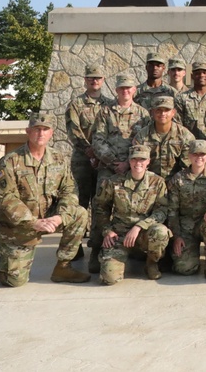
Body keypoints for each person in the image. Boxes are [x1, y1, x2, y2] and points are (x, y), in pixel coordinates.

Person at [0, 112, 90, 287]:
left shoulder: (58, 159)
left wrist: (60, 217)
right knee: (15, 280)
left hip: (49, 216)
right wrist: (33, 222)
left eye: (45, 129)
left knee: (79, 213)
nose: (40, 133)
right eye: (36, 129)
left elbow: (69, 190)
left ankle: (63, 266)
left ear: (51, 133)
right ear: (28, 131)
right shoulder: (10, 161)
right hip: (20, 224)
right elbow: (7, 199)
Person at [89, 74, 150, 271]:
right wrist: (115, 162)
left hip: (135, 168)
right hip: (109, 169)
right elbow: (97, 140)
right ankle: (97, 249)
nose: (125, 91)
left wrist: (128, 163)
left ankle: (137, 248)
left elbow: (145, 143)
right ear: (116, 90)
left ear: (134, 90)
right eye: (121, 88)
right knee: (101, 207)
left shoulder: (143, 114)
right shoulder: (105, 113)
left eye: (129, 88)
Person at [94, 145, 172, 285]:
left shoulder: (158, 182)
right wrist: (107, 231)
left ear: (148, 161)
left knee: (161, 232)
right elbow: (101, 208)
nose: (138, 163)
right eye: (134, 159)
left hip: (144, 233)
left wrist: (139, 227)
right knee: (109, 278)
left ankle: (151, 263)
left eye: (142, 159)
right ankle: (122, 258)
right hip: (119, 234)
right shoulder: (113, 182)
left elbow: (162, 210)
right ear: (129, 161)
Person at [65, 64, 115, 232]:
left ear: (103, 80)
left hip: (103, 161)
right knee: (80, 201)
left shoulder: (110, 104)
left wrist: (101, 154)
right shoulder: (76, 104)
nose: (95, 80)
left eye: (98, 78)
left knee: (101, 201)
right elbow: (74, 131)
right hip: (83, 160)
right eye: (91, 78)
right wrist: (90, 151)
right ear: (85, 80)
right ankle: (74, 243)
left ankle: (98, 240)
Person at [167, 140, 206, 279]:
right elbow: (172, 210)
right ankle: (188, 255)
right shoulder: (178, 179)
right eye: (195, 154)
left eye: (202, 154)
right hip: (186, 227)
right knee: (184, 268)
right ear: (189, 156)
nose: (199, 158)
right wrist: (176, 236)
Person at [130, 95, 195, 181]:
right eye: (158, 110)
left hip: (177, 181)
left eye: (167, 110)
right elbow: (138, 165)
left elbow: (188, 166)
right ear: (152, 112)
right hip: (150, 182)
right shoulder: (142, 136)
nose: (162, 114)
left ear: (173, 112)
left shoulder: (185, 136)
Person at [175, 61, 206, 140]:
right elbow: (177, 126)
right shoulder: (181, 99)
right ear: (192, 76)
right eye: (197, 73)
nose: (201, 75)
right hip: (189, 147)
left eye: (205, 73)